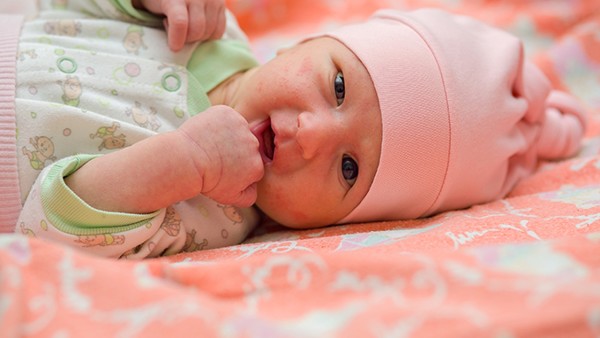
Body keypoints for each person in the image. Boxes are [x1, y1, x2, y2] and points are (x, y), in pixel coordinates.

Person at [0, 0, 587, 259]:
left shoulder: (214, 217)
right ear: (305, 42)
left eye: (349, 169)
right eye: (337, 87)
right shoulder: (201, 26)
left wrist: (184, 162)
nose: (312, 135)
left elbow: (55, 231)